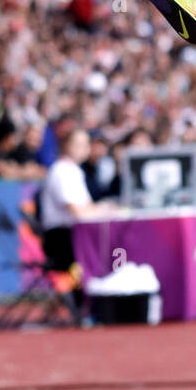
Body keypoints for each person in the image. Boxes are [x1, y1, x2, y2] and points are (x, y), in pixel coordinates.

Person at [39, 125, 120, 322]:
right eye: (79, 144)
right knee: (107, 251)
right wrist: (101, 210)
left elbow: (87, 207)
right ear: (66, 145)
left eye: (86, 144)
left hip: (72, 235)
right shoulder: (61, 171)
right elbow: (77, 210)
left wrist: (103, 208)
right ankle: (89, 308)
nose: (84, 149)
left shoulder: (74, 171)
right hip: (60, 239)